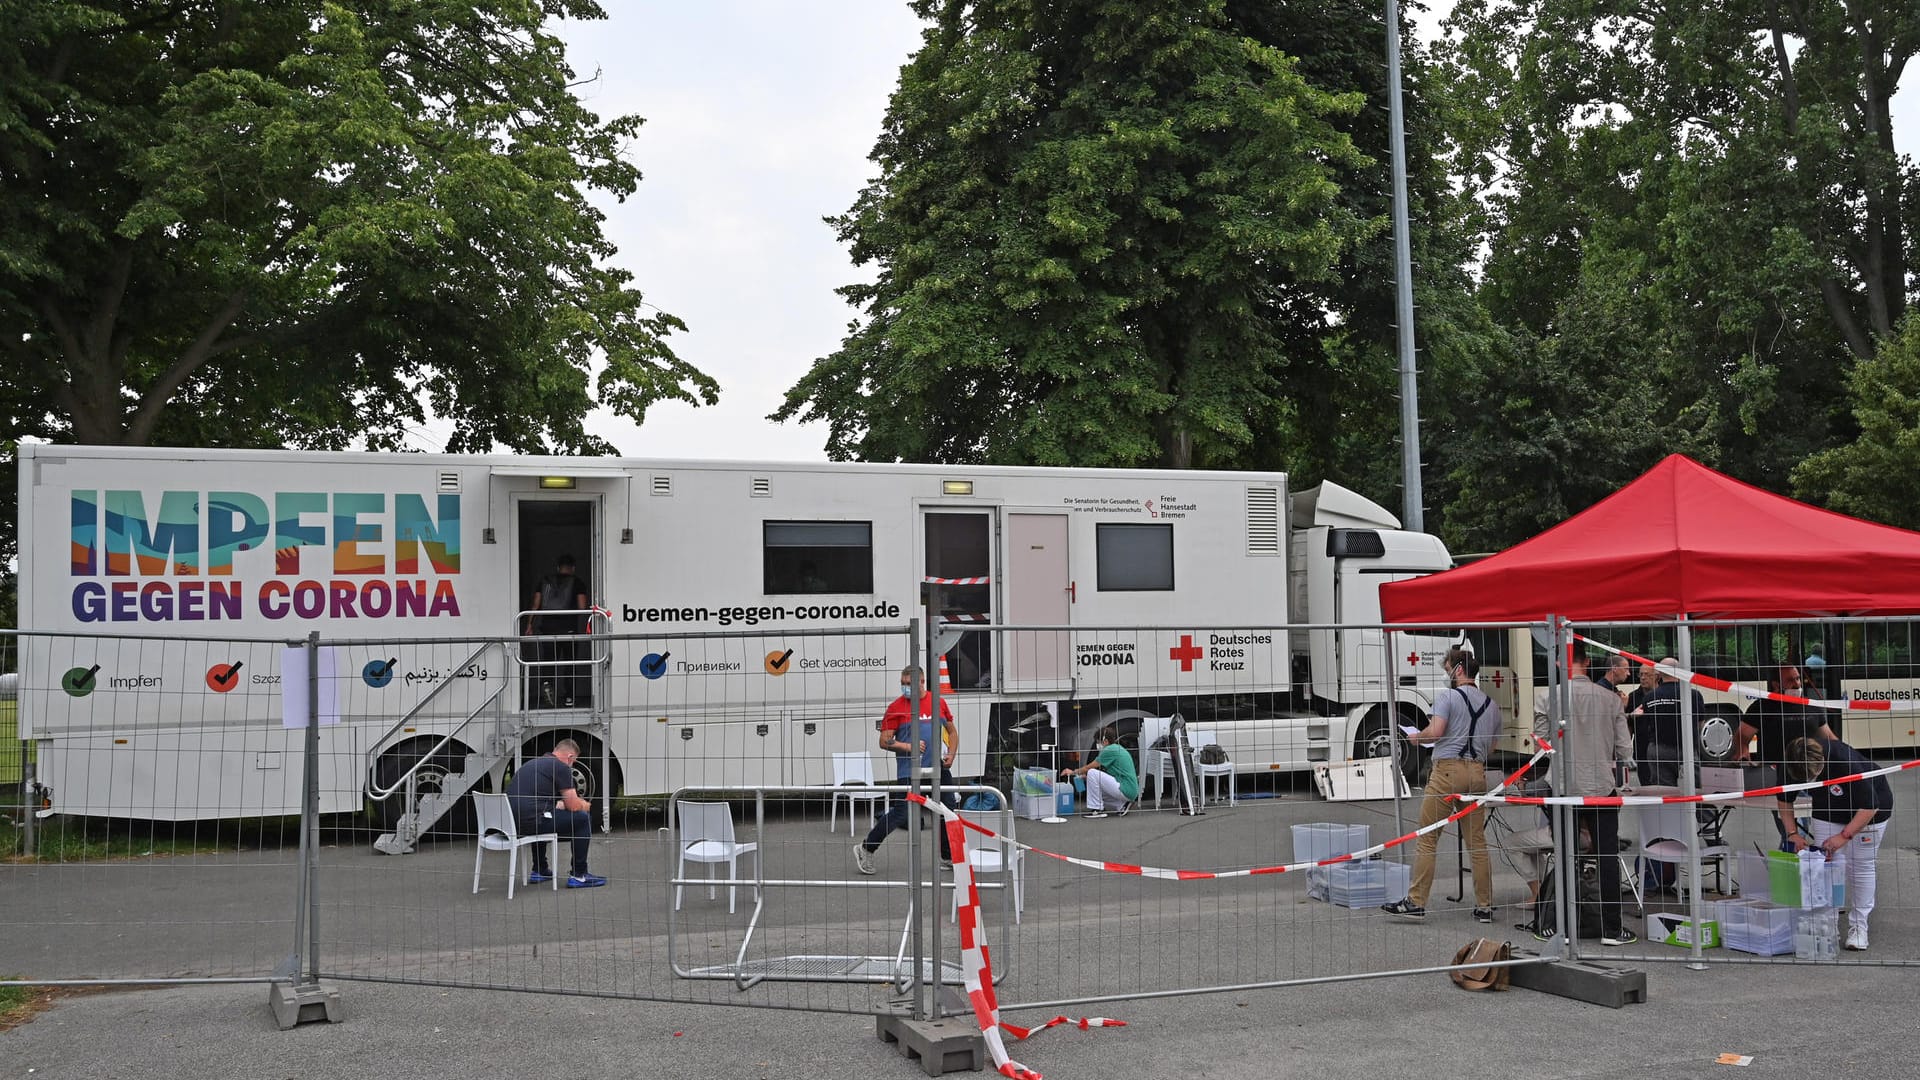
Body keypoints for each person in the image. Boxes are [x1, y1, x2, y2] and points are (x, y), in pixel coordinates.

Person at [1382, 646, 1500, 924]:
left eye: (1447, 669)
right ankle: (1485, 905)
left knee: (1428, 836)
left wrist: (1417, 738)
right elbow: (1492, 746)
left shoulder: (1448, 697)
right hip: (1477, 772)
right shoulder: (1491, 705)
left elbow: (1435, 732)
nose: (1446, 675)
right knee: (1477, 842)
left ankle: (1416, 900)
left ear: (1458, 670)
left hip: (1447, 771)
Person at [1532, 651, 1637, 945]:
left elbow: (1541, 744)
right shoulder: (1611, 699)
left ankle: (1562, 927)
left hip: (1563, 786)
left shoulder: (1547, 697)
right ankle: (1612, 929)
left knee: (1566, 855)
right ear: (1588, 662)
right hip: (1601, 787)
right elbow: (1624, 748)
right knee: (1607, 857)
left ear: (1557, 663)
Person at [1780, 735, 1892, 951]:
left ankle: (1859, 928)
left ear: (1821, 763)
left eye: (1812, 777)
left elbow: (1870, 806)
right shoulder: (1791, 763)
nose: (1809, 783)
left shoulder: (1844, 760)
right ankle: (1826, 925)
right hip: (1827, 809)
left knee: (1860, 866)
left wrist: (1844, 836)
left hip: (1870, 810)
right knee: (1827, 865)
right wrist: (1792, 833)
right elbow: (1784, 799)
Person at [854, 665, 960, 875]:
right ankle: (866, 848)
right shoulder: (896, 708)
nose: (905, 688)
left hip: (937, 768)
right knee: (901, 813)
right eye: (902, 684)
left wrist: (951, 753)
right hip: (909, 771)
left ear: (922, 682)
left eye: (908, 684)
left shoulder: (937, 702)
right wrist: (907, 746)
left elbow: (951, 731)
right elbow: (884, 741)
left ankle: (947, 856)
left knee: (947, 809)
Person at [1739, 664, 1836, 847]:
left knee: (1800, 828)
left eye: (1798, 678)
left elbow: (1830, 738)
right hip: (1778, 777)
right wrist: (1743, 753)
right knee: (1792, 830)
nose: (1797, 684)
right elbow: (1742, 735)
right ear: (1776, 685)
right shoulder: (1763, 706)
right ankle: (1792, 861)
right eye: (1790, 680)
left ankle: (1791, 862)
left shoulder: (1810, 706)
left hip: (1809, 774)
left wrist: (1847, 757)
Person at [503, 738, 605, 887]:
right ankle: (579, 874)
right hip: (532, 822)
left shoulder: (533, 763)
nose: (572, 766)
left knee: (546, 813)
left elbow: (544, 802)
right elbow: (574, 805)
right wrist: (585, 805)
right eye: (573, 762)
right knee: (582, 819)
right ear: (570, 757)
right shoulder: (560, 767)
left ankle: (540, 870)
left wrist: (562, 805)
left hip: (511, 824)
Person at [526, 554, 590, 708]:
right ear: (573, 568)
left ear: (558, 567)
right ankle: (569, 698)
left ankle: (547, 684)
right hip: (569, 630)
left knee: (549, 661)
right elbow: (582, 607)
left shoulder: (544, 581)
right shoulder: (577, 582)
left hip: (547, 629)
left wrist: (529, 625)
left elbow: (535, 605)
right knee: (570, 663)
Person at [1059, 724, 1138, 819]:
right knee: (1095, 787)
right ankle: (1121, 805)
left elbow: (1090, 767)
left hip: (1126, 788)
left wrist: (1072, 772)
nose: (1097, 744)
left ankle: (1097, 810)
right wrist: (1087, 777)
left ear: (1105, 741)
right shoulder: (1117, 748)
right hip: (1129, 789)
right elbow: (1108, 776)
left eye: (1098, 741)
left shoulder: (1109, 750)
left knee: (1092, 772)